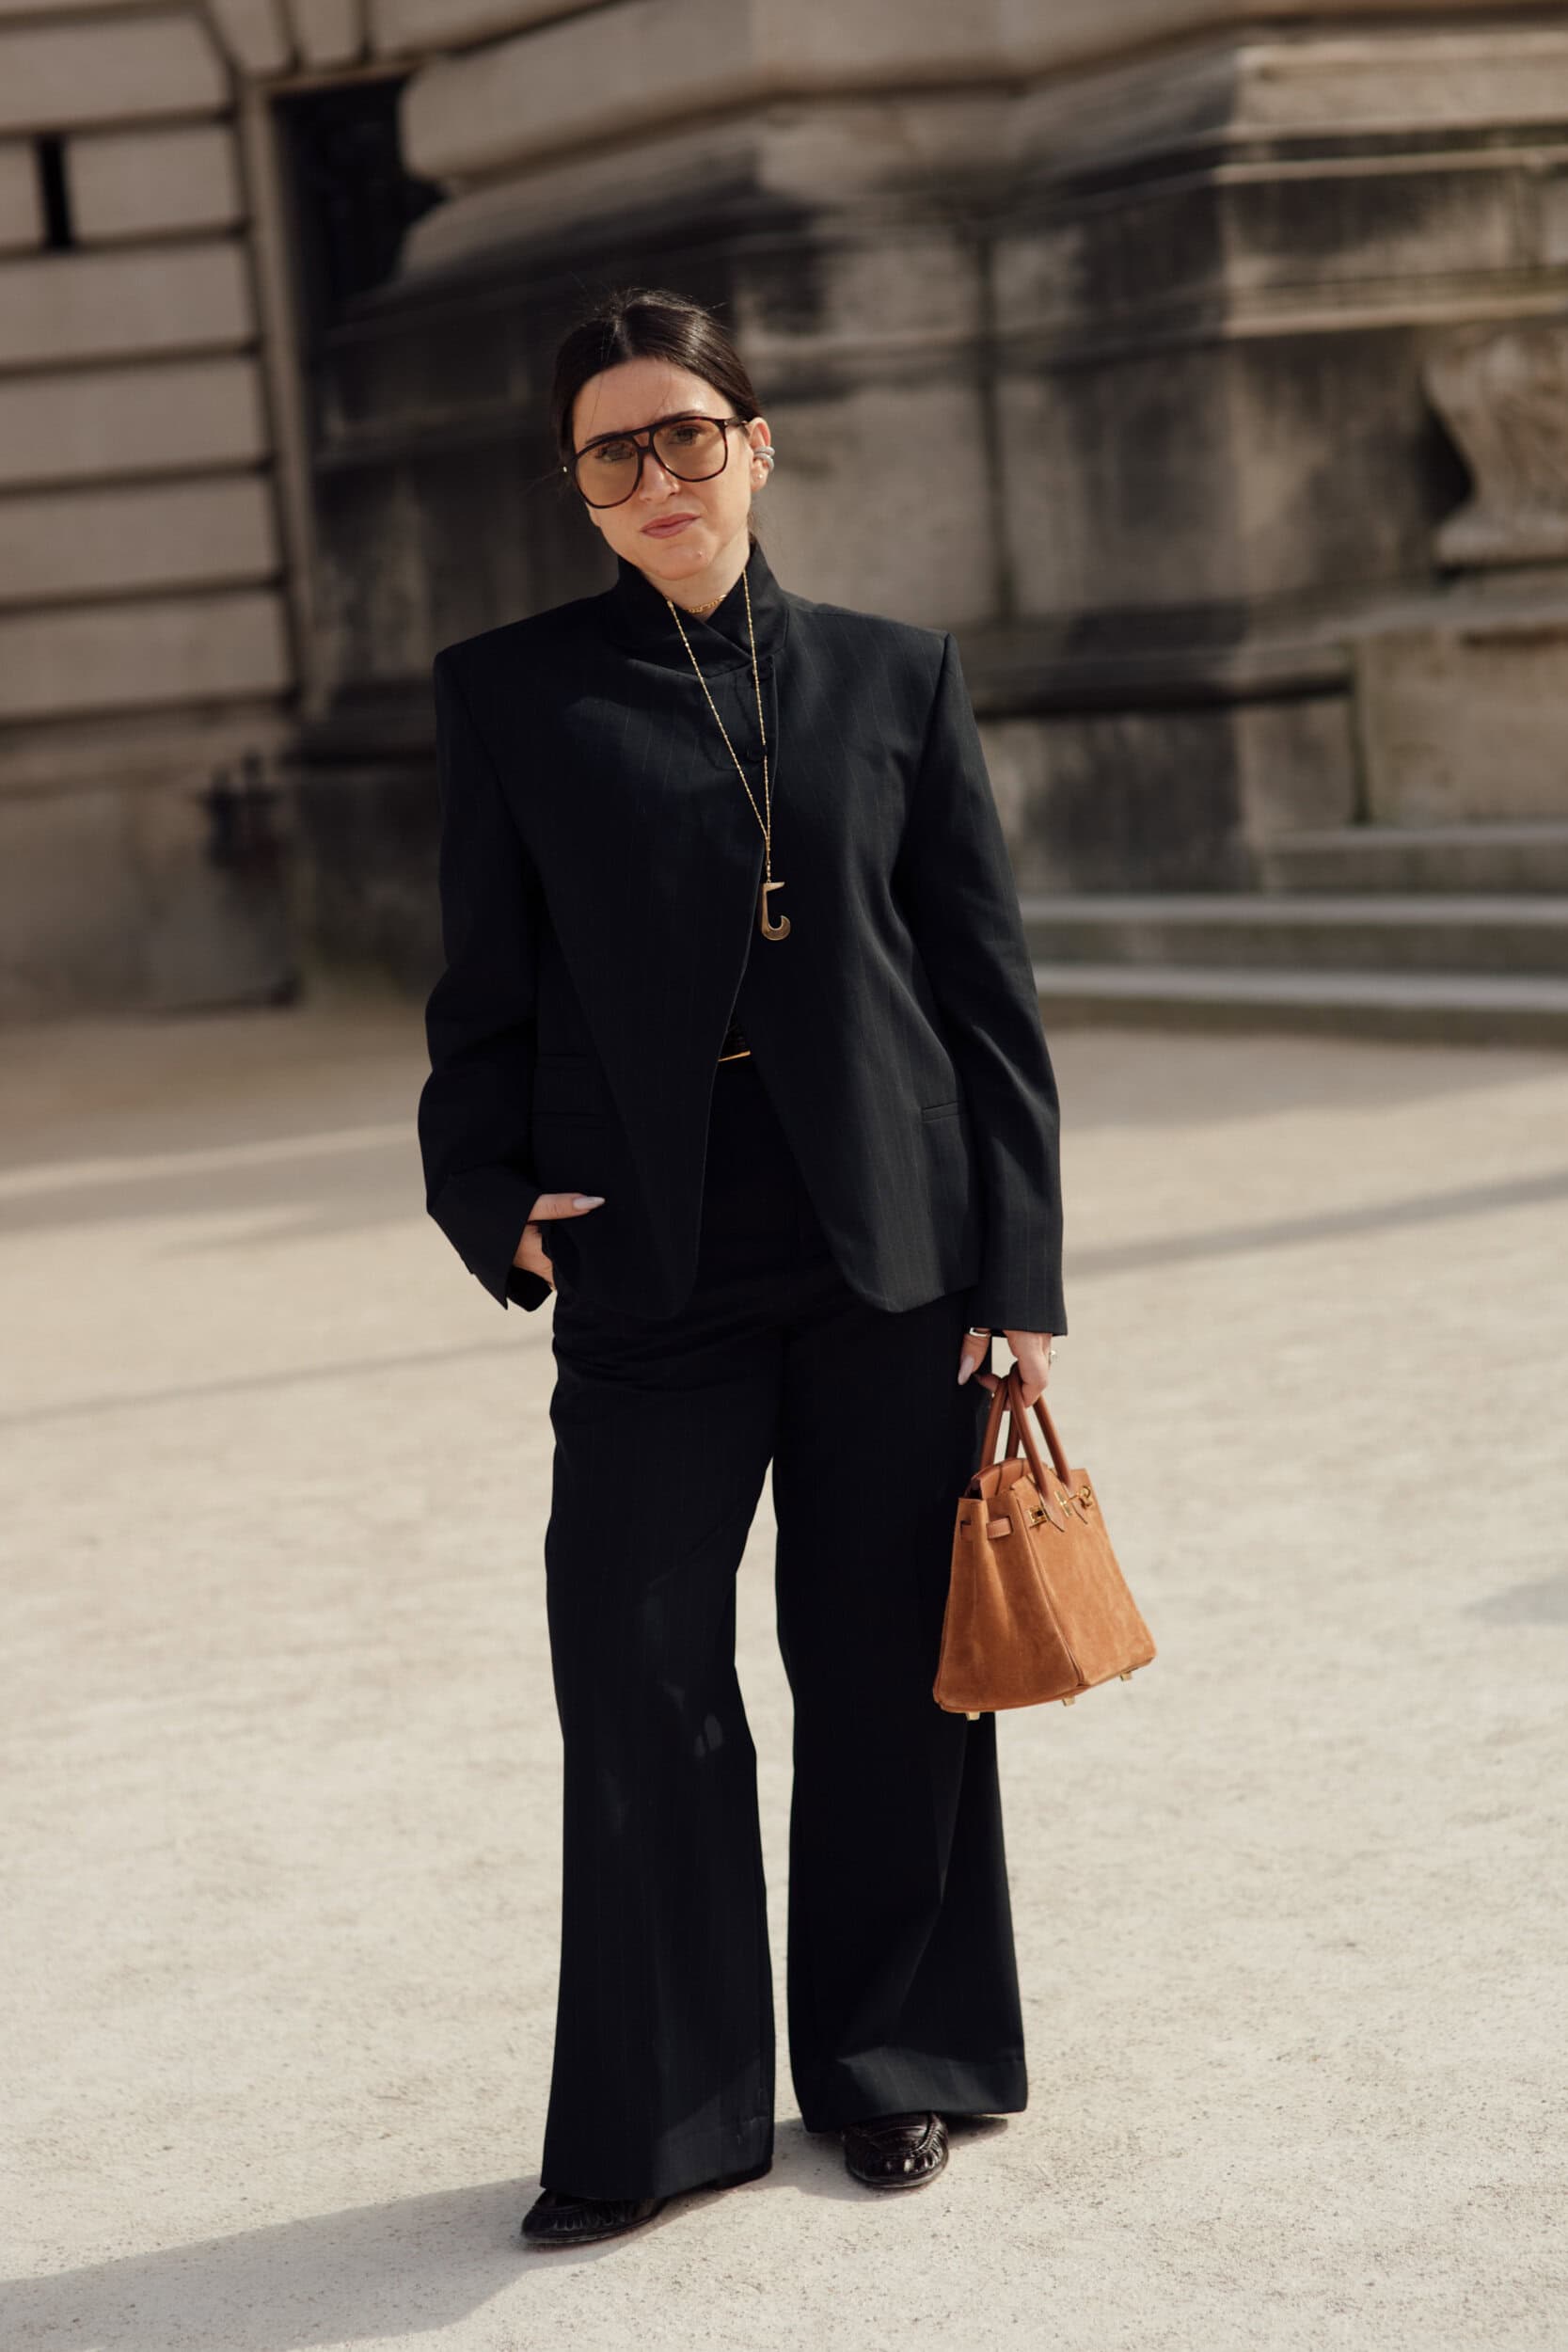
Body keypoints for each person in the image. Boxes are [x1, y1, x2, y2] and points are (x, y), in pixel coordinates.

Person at [417, 285, 1067, 2249]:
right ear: (578, 488)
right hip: (651, 1257)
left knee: (884, 1669)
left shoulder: (897, 675)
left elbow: (986, 998)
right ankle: (663, 2115)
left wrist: (1020, 1279)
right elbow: (481, 988)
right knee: (636, 1668)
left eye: (686, 433)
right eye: (613, 451)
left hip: (893, 1252)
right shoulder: (513, 695)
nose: (658, 475)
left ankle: (898, 2059)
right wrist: (486, 1189)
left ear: (755, 445)